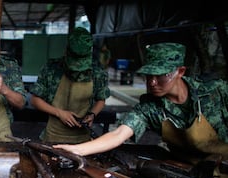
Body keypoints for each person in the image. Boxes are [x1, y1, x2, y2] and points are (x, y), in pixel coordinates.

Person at [54, 42, 228, 163]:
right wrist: (78, 150)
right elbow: (118, 134)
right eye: (148, 75)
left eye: (160, 75)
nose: (152, 82)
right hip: (185, 167)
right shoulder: (150, 108)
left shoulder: (217, 91)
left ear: (180, 71)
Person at [29, 27, 110, 143]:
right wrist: (59, 113)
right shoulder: (52, 69)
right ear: (66, 51)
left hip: (83, 139)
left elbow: (101, 99)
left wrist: (92, 114)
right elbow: (35, 100)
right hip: (53, 136)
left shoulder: (98, 73)